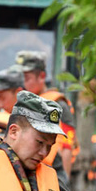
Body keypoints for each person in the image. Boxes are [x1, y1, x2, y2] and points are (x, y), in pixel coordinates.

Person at [16, 50, 77, 178]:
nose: (23, 83)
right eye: (21, 78)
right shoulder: (22, 102)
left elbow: (67, 146)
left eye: (27, 78)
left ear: (42, 76)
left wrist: (63, 184)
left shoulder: (58, 104)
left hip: (51, 170)